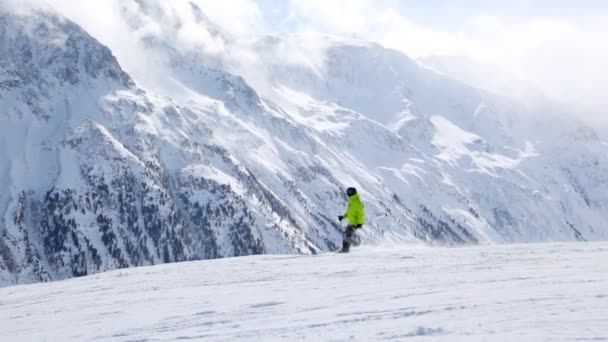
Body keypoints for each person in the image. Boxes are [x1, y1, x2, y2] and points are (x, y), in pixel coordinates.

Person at [337, 187, 365, 253]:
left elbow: (361, 214)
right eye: (347, 192)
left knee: (347, 235)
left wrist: (360, 223)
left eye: (348, 192)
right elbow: (349, 213)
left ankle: (345, 250)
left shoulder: (357, 202)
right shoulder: (351, 202)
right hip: (351, 222)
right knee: (346, 235)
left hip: (355, 223)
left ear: (352, 193)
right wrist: (343, 217)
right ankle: (345, 249)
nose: (347, 194)